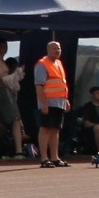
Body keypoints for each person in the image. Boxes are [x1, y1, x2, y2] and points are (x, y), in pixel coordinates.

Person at [0, 39, 30, 159]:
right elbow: (0, 78)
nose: (5, 48)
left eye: (6, 46)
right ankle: (18, 151)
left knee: (10, 122)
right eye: (3, 46)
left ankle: (10, 150)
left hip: (5, 90)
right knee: (15, 120)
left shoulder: (1, 61)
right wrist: (14, 77)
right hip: (3, 90)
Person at [34, 40, 71, 168]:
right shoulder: (42, 64)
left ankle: (55, 157)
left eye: (59, 48)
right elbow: (39, 86)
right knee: (45, 128)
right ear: (48, 50)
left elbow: (61, 83)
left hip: (59, 102)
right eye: (54, 48)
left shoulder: (59, 63)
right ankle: (44, 158)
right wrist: (43, 103)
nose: (57, 51)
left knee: (55, 129)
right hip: (48, 102)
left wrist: (65, 99)